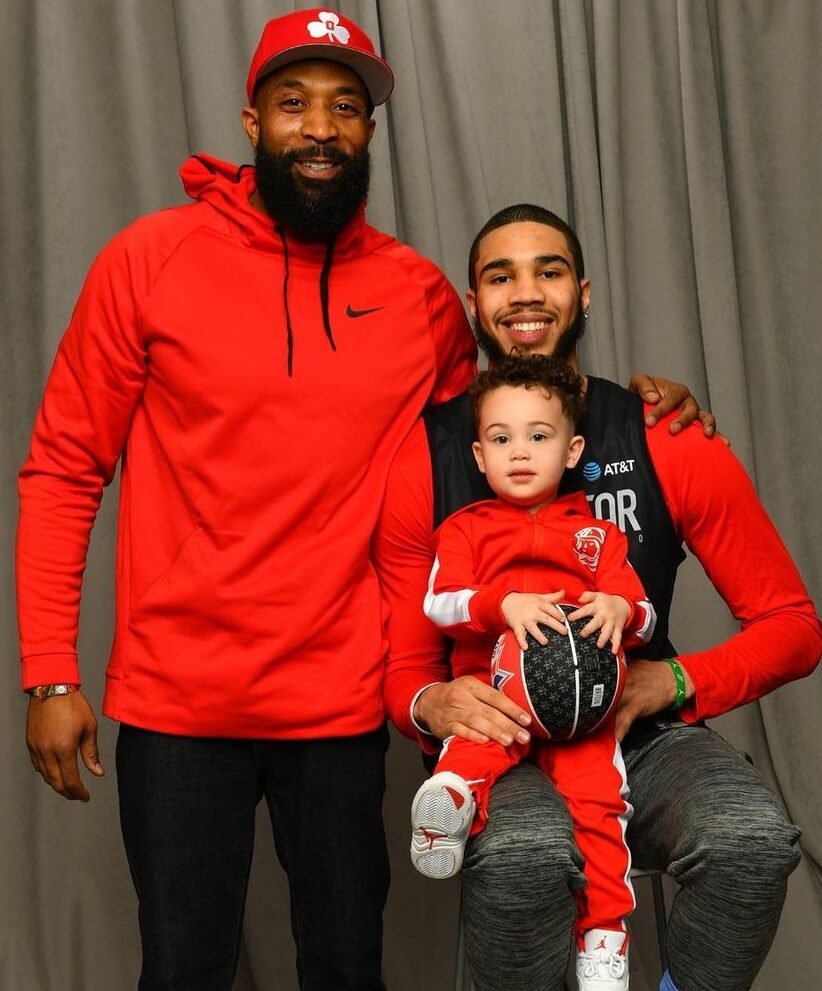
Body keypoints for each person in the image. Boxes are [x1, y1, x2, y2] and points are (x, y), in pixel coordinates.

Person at [16, 10, 480, 990]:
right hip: (178, 702)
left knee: (348, 967)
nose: (321, 127)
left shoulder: (425, 301)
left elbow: (488, 465)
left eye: (346, 108)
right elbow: (63, 468)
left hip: (343, 703)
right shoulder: (147, 261)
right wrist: (52, 673)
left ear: (369, 133)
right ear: (251, 121)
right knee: (185, 969)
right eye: (295, 103)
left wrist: (627, 411)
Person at [374, 204, 822, 991]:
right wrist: (436, 705)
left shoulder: (664, 432)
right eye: (499, 276)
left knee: (751, 838)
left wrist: (671, 681)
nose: (525, 293)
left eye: (548, 271)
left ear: (583, 294)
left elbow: (793, 626)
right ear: (473, 304)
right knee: (525, 856)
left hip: (639, 735)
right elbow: (406, 669)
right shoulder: (427, 455)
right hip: (498, 742)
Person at [412, 355, 657, 990]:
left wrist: (620, 607)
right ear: (479, 455)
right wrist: (502, 603)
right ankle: (449, 810)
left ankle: (604, 939)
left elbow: (647, 616)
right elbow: (439, 604)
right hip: (498, 696)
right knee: (470, 750)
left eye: (538, 436)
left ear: (572, 449)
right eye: (501, 439)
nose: (519, 452)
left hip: (582, 712)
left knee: (601, 812)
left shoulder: (599, 537)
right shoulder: (463, 529)